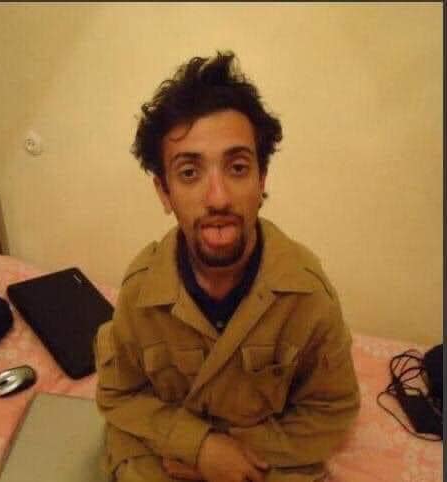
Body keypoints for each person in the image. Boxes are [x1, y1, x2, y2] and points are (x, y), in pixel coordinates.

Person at [94, 51, 360, 482]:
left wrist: (225, 455)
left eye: (237, 168)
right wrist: (197, 446)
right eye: (189, 173)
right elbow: (118, 394)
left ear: (261, 179)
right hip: (162, 460)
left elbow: (332, 411)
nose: (218, 198)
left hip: (260, 465)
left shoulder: (308, 296)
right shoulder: (141, 291)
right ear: (164, 192)